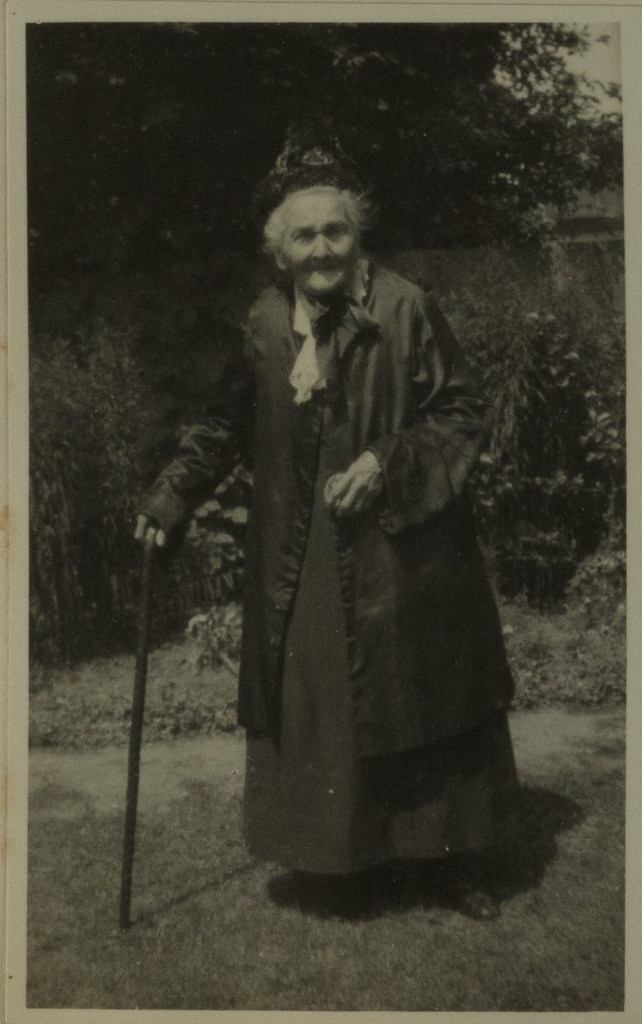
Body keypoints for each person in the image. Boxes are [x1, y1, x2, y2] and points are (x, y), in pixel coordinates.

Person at [135, 133, 520, 920]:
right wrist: (168, 499)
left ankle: (450, 859)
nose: (321, 249)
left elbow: (462, 410)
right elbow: (224, 424)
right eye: (304, 235)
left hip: (406, 547)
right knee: (323, 699)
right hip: (301, 549)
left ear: (357, 234)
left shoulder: (405, 307)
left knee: (423, 692)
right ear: (278, 251)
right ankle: (347, 860)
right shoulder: (265, 322)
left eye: (335, 231)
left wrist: (385, 461)